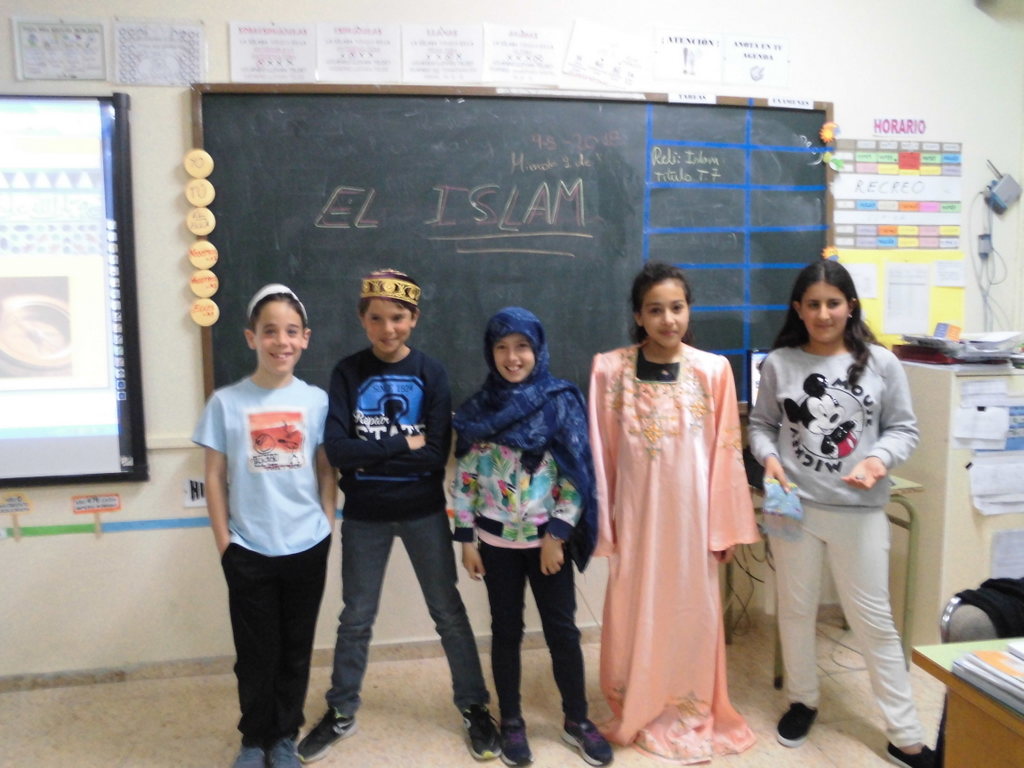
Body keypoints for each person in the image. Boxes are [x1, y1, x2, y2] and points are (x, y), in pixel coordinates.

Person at [297, 268, 500, 764]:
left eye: (398, 318)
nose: (387, 328)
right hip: (364, 516)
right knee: (356, 618)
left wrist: (371, 455)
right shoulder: (347, 372)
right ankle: (341, 710)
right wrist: (400, 442)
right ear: (362, 319)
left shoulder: (431, 372)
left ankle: (474, 706)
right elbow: (338, 451)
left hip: (422, 512)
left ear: (414, 319)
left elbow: (434, 455)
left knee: (447, 612)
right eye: (377, 318)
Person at [746, 259, 934, 768]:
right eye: (813, 304)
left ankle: (905, 734)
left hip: (859, 510)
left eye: (833, 303)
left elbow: (904, 429)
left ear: (850, 306)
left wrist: (879, 459)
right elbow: (761, 425)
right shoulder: (780, 363)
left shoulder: (882, 363)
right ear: (798, 309)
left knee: (874, 622)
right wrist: (768, 458)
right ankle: (802, 701)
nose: (824, 313)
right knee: (795, 610)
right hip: (793, 508)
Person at [588, 261, 760, 763]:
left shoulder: (713, 370)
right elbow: (600, 452)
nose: (668, 320)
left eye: (677, 308)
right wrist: (605, 526)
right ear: (638, 316)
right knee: (635, 607)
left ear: (689, 310)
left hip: (692, 522)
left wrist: (723, 527)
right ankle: (638, 701)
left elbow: (727, 452)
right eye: (655, 310)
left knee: (691, 615)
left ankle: (688, 706)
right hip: (637, 520)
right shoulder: (609, 370)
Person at [451, 307, 613, 767]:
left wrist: (557, 535)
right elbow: (464, 482)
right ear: (490, 353)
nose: (512, 357)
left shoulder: (560, 401)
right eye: (501, 347)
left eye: (522, 346)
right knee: (505, 632)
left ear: (538, 349)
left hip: (547, 546)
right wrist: (466, 541)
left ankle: (577, 719)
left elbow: (576, 476)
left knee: (563, 632)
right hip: (496, 547)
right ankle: (512, 721)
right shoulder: (478, 411)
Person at [192, 284, 335, 768]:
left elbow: (325, 470)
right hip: (248, 550)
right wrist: (225, 544)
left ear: (305, 338)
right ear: (251, 337)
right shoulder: (226, 403)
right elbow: (214, 477)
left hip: (306, 545)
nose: (281, 341)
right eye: (270, 331)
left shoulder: (316, 401)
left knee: (295, 650)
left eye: (291, 331)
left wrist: (326, 525)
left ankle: (284, 737)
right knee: (255, 653)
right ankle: (254, 739)